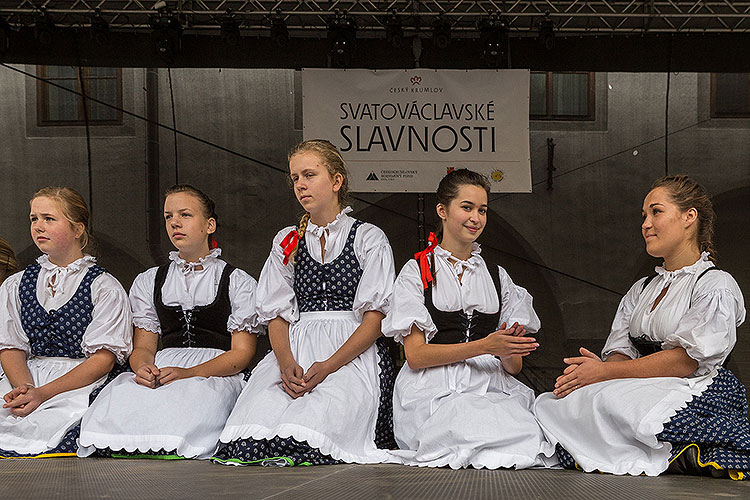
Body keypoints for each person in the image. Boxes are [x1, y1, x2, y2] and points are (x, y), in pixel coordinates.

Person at [534, 175, 748, 479]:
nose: (646, 224)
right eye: (644, 216)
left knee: (609, 400)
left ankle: (679, 452)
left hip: (691, 385)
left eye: (656, 212)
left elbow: (686, 360)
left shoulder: (715, 285)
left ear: (689, 217)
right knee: (562, 402)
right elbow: (621, 353)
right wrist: (597, 372)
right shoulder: (642, 288)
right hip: (642, 382)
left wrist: (606, 374)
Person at [214, 139, 397, 466]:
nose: (300, 184)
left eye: (309, 175)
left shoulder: (368, 238)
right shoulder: (288, 240)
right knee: (253, 427)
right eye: (295, 178)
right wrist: (285, 364)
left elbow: (374, 321)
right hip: (296, 348)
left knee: (309, 426)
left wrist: (327, 366)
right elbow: (277, 314)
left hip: (349, 353)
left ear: (336, 181)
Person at [382, 168, 556, 469]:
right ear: (442, 211)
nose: (476, 218)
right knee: (463, 423)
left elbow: (513, 369)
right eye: (467, 207)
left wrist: (507, 350)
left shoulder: (497, 277)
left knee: (526, 430)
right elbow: (416, 356)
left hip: (491, 385)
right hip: (433, 387)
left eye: (483, 210)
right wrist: (486, 346)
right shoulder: (417, 271)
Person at [78, 185, 259, 459]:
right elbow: (143, 348)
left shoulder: (236, 281)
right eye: (168, 216)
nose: (174, 222)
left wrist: (189, 373)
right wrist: (143, 368)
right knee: (120, 398)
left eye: (185, 214)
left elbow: (241, 354)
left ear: (209, 225)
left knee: (194, 401)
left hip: (214, 371)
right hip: (164, 367)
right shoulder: (150, 280)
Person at [0, 187, 132, 458]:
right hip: (26, 376)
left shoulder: (103, 286)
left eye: (49, 219)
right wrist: (26, 388)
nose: (38, 226)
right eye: (34, 218)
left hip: (77, 382)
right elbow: (10, 346)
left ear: (78, 229)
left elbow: (103, 359)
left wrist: (43, 394)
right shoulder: (17, 284)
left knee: (53, 425)